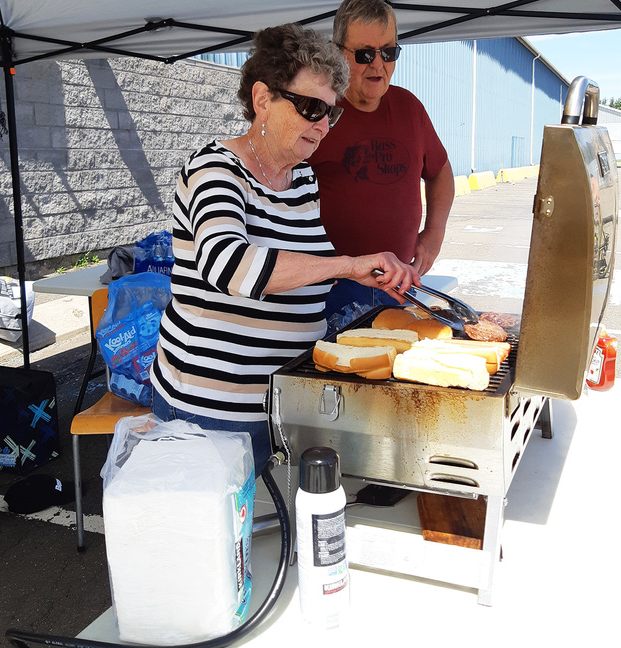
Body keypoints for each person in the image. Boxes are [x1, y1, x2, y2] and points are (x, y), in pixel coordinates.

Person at [150, 23, 420, 472]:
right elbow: (230, 266)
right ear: (262, 99)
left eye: (330, 114)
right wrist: (346, 265)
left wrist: (367, 274)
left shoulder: (303, 180)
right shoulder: (215, 170)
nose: (322, 126)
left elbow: (302, 266)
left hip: (285, 400)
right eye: (311, 107)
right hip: (212, 410)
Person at [309, 0, 455, 327]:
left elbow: (440, 170)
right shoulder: (318, 111)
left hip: (397, 283)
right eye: (365, 54)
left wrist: (434, 233)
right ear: (338, 52)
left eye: (388, 52)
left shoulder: (409, 107)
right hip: (330, 288)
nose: (378, 65)